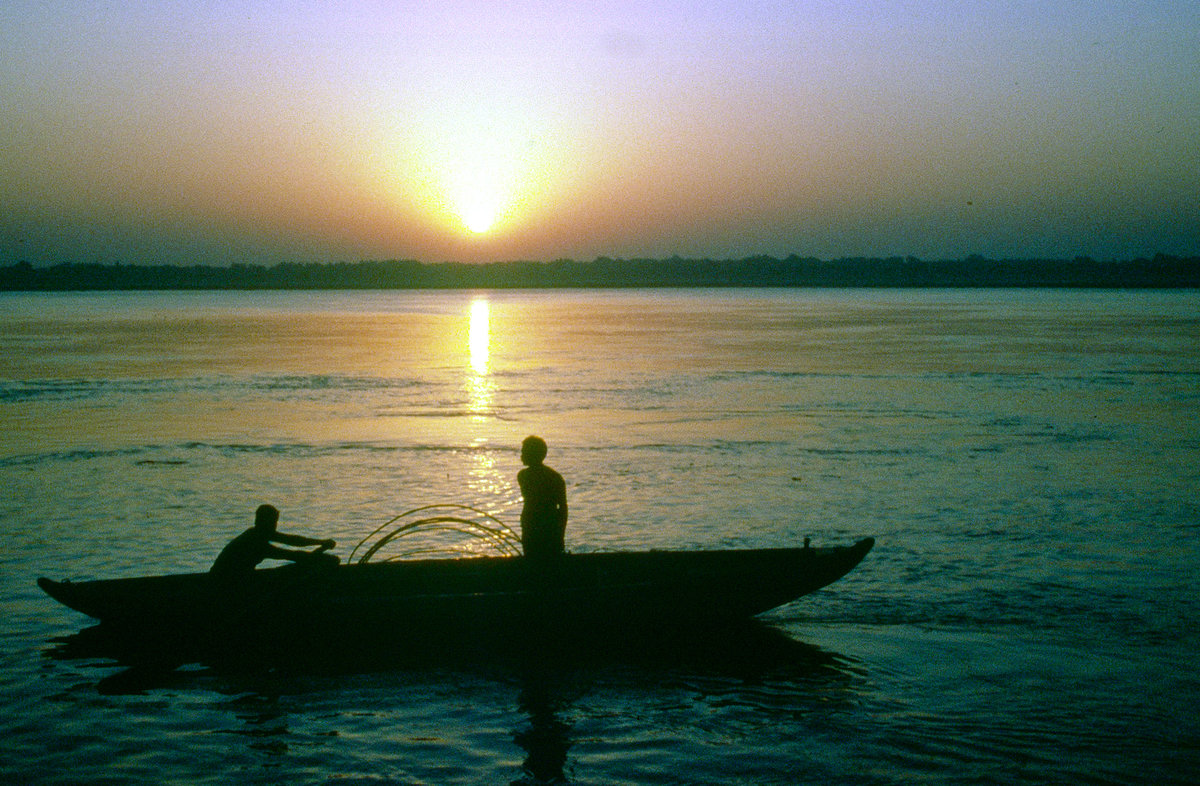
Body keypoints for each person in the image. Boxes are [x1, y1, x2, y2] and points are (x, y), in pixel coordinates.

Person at [210, 504, 336, 577]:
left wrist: (321, 542)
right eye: (272, 522)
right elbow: (291, 555)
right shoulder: (254, 541)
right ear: (260, 522)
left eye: (275, 522)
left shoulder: (260, 532)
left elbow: (292, 540)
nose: (275, 526)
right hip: (229, 582)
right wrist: (320, 554)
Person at [517, 436, 568, 559]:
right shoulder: (555, 477)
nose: (521, 455)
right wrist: (560, 534)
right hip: (549, 527)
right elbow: (563, 509)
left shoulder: (523, 476)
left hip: (532, 525)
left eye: (524, 452)